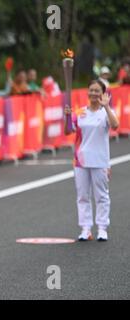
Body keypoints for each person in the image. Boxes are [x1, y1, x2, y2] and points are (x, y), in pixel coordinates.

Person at [64, 80, 119, 241]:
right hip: (81, 161)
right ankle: (85, 229)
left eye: (97, 91)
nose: (94, 93)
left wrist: (107, 106)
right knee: (82, 196)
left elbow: (115, 125)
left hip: (100, 160)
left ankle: (102, 228)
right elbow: (68, 131)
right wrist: (67, 117)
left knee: (101, 196)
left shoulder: (106, 113)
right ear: (87, 92)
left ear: (103, 94)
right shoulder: (80, 112)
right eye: (91, 90)